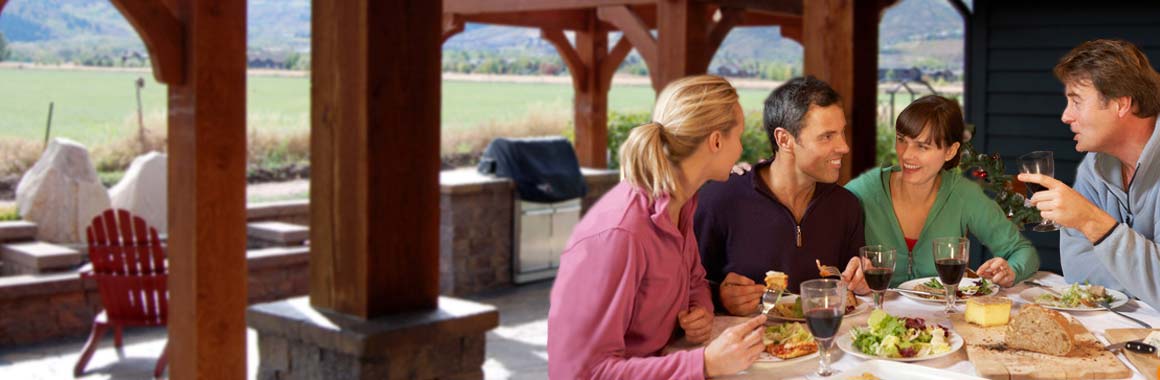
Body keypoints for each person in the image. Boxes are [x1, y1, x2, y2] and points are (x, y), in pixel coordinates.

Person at [548, 75, 767, 379]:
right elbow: (584, 373)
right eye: (739, 135)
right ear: (716, 141)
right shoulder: (619, 235)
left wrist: (700, 309)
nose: (741, 148)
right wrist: (703, 364)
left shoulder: (681, 205)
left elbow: (694, 280)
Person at [694, 76, 869, 317]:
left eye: (842, 133)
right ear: (784, 139)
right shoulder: (720, 199)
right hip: (750, 350)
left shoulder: (846, 206)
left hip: (826, 348)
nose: (844, 147)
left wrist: (861, 282)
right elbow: (686, 288)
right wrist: (719, 296)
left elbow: (853, 293)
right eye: (827, 136)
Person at [1019, 39, 1160, 310]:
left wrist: (1092, 221)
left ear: (1121, 104)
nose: (1065, 116)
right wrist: (1144, 282)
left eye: (1076, 102)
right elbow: (1078, 273)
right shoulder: (1095, 166)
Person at [844, 95, 1039, 288]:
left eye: (922, 146)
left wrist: (1011, 270)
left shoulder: (963, 195)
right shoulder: (864, 192)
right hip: (875, 316)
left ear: (950, 151)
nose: (906, 154)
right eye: (902, 140)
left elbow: (1022, 251)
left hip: (943, 318)